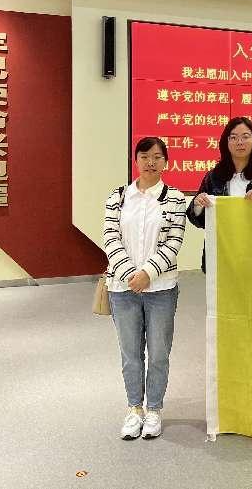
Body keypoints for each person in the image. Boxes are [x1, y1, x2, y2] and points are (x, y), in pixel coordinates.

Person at [103, 137, 187, 440]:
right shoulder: (117, 197)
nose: (151, 162)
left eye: (157, 157)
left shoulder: (175, 198)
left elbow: (174, 242)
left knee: (159, 353)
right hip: (122, 288)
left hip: (161, 288)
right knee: (131, 354)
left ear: (166, 162)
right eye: (144, 156)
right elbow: (110, 237)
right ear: (135, 160)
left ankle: (154, 409)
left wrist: (147, 274)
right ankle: (134, 408)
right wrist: (130, 275)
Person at [187, 117, 252, 270]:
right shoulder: (213, 177)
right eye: (233, 137)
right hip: (222, 259)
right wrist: (198, 206)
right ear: (226, 143)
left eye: (245, 137)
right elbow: (199, 221)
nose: (239, 142)